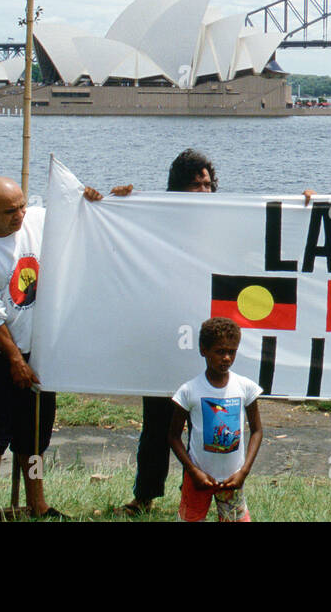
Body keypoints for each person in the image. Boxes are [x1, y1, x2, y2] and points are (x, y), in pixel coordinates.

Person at [0, 174, 103, 521]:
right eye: (9, 211)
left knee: (34, 437)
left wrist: (98, 196)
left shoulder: (35, 219)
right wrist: (13, 360)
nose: (19, 215)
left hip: (38, 352)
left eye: (21, 206)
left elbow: (77, 214)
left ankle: (38, 502)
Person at [115, 148, 216, 516]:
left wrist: (306, 208)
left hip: (206, 339)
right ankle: (144, 495)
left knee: (206, 424)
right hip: (165, 337)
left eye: (207, 184)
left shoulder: (225, 220)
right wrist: (115, 201)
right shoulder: (156, 218)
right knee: (157, 423)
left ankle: (200, 495)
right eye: (194, 185)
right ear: (177, 187)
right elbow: (117, 229)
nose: (203, 191)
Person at [168, 317, 263, 522]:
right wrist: (193, 471)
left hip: (232, 479)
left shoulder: (245, 387)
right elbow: (173, 436)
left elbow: (257, 430)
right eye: (220, 351)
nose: (227, 358)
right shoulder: (189, 391)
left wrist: (243, 472)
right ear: (203, 350)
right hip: (198, 479)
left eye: (232, 351)